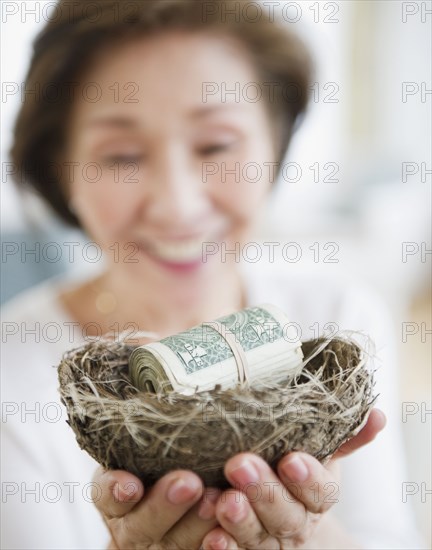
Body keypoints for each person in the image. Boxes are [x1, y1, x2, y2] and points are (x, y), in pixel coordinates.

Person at [1, 1, 427, 549]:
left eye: (216, 145)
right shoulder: (12, 373)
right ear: (61, 170)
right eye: (123, 156)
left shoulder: (337, 320)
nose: (177, 206)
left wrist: (310, 535)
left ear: (274, 149)